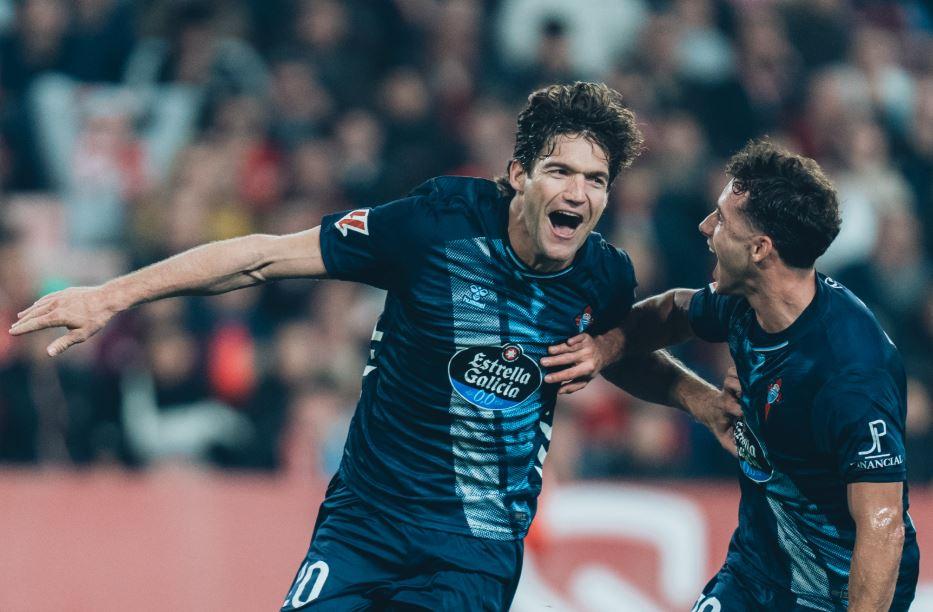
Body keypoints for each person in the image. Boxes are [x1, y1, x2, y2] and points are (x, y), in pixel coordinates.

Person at [10, 82, 738, 611]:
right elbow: (264, 257)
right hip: (365, 521)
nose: (578, 192)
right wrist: (113, 295)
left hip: (474, 548)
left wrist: (688, 393)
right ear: (518, 175)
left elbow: (620, 346)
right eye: (560, 170)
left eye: (596, 179)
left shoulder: (603, 275)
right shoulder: (433, 225)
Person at [543, 140, 920, 611]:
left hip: (839, 593)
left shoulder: (850, 373)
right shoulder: (745, 302)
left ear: (760, 249)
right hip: (756, 572)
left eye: (721, 219)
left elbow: (882, 527)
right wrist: (608, 351)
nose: (705, 227)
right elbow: (671, 312)